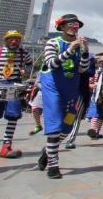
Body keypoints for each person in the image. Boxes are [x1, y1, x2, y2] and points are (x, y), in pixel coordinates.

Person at [36, 14, 90, 179]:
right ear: (61, 26)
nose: (74, 27)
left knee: (67, 127)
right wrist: (70, 50)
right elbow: (51, 63)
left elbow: (82, 69)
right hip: (53, 87)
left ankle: (47, 151)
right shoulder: (53, 42)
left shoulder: (79, 46)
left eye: (76, 25)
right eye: (71, 24)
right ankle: (53, 166)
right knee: (54, 125)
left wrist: (85, 51)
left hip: (71, 88)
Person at [0, 30, 32, 160]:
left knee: (13, 115)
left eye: (17, 39)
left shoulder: (24, 54)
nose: (14, 41)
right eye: (11, 39)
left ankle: (6, 145)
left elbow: (29, 65)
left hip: (14, 85)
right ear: (6, 40)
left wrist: (25, 72)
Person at [86, 54, 103, 139]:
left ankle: (97, 132)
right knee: (96, 114)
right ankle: (93, 130)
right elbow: (90, 82)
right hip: (96, 95)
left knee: (102, 115)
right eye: (101, 62)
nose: (102, 64)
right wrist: (93, 85)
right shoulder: (95, 72)